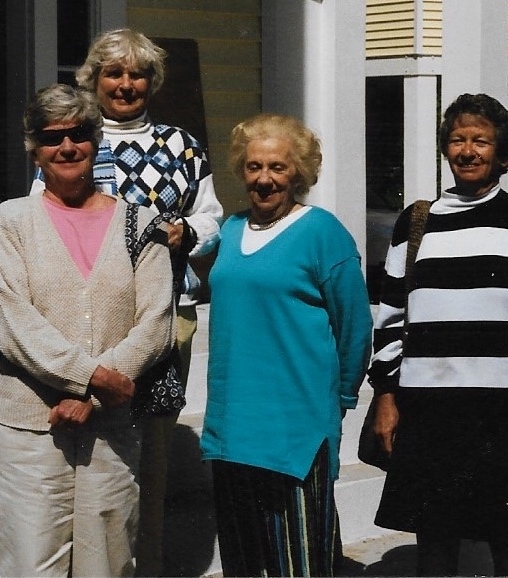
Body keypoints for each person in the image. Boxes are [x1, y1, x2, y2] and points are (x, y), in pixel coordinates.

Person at [368, 93, 508, 577]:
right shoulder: (417, 223)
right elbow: (390, 317)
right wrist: (386, 394)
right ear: (446, 150)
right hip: (430, 415)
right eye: (457, 140)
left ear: (502, 155)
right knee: (436, 550)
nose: (467, 151)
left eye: (480, 141)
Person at [43, 27, 223, 575]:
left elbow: (212, 216)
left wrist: (186, 233)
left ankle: (146, 566)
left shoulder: (182, 144)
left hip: (165, 318)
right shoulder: (74, 140)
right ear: (93, 79)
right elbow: (42, 217)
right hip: (88, 322)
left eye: (137, 73)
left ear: (152, 80)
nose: (125, 83)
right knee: (92, 450)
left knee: (151, 455)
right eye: (113, 72)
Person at [0, 84, 175, 577]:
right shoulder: (9, 221)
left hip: (110, 430)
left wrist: (96, 392)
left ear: (96, 141)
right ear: (34, 149)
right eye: (52, 138)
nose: (67, 147)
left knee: (108, 564)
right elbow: (13, 322)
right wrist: (91, 376)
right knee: (28, 565)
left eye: (79, 134)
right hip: (30, 431)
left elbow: (156, 322)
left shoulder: (141, 223)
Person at [201, 113, 374, 577]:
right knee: (244, 559)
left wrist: (338, 401)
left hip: (296, 425)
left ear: (298, 172)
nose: (264, 179)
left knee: (300, 563)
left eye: (277, 167)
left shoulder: (322, 232)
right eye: (254, 166)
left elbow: (355, 326)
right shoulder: (231, 231)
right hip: (233, 421)